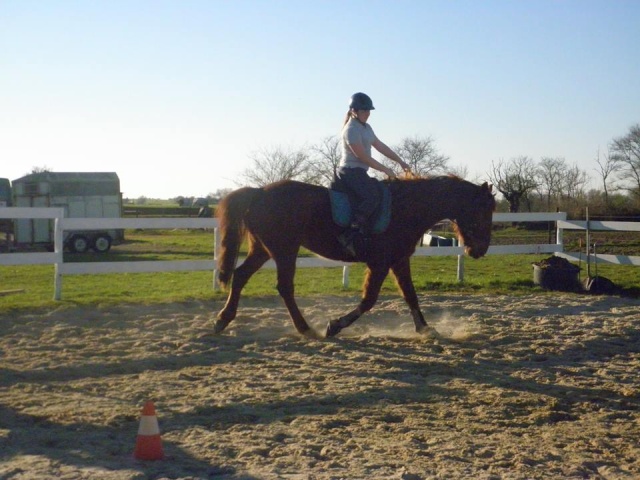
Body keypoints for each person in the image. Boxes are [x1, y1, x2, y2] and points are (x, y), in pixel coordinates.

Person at [335, 92, 411, 257]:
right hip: (349, 171)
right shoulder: (351, 130)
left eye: (369, 110)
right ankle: (351, 233)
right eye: (364, 110)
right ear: (354, 111)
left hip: (360, 172)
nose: (367, 113)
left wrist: (400, 161)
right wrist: (385, 169)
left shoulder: (366, 128)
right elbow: (362, 156)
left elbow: (380, 146)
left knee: (382, 192)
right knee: (372, 196)